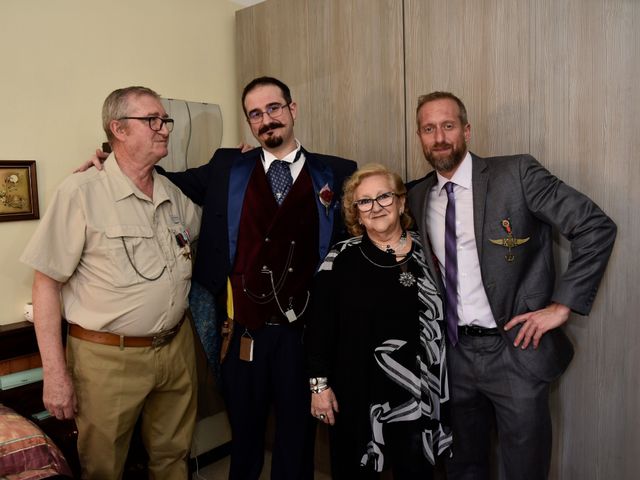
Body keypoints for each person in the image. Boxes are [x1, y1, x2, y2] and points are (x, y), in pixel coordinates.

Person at [151, 77, 357, 479]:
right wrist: (110, 164)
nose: (267, 120)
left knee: (296, 439)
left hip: (305, 335)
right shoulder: (227, 168)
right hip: (243, 332)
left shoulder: (336, 172)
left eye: (274, 108)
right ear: (249, 122)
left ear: (292, 110)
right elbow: (164, 178)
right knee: (244, 439)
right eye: (256, 114)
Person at [407, 91, 617, 479]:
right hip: (453, 357)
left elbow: (594, 226)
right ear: (419, 136)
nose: (439, 137)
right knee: (463, 466)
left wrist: (561, 305)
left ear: (466, 131)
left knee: (524, 469)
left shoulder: (517, 174)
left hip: (515, 352)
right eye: (428, 128)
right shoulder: (417, 195)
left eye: (448, 126)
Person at [20, 86, 202, 479]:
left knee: (174, 457)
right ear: (118, 129)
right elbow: (46, 283)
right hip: (108, 359)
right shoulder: (81, 191)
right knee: (103, 465)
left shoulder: (173, 194)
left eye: (165, 119)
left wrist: (244, 161)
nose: (164, 128)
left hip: (175, 349)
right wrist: (55, 375)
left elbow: (209, 232)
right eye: (152, 120)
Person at [306, 163, 453, 479]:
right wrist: (319, 387)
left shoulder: (431, 253)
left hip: (420, 395)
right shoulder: (340, 259)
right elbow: (319, 330)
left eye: (384, 197)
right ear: (356, 213)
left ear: (401, 202)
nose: (376, 207)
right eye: (365, 201)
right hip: (358, 395)